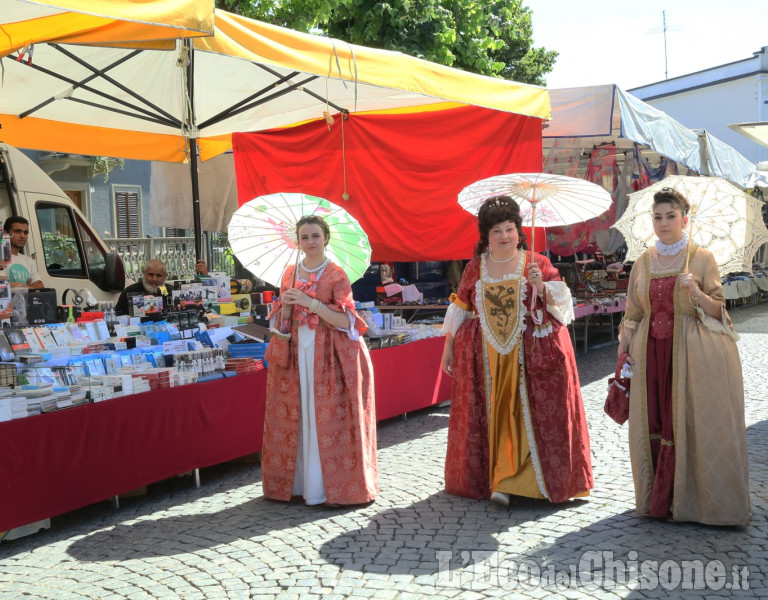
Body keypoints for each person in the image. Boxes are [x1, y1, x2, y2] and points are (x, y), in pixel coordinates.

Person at [441, 195, 593, 506]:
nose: (504, 236)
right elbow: (461, 308)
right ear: (486, 235)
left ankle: (526, 482)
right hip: (487, 357)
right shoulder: (474, 268)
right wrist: (448, 348)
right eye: (497, 230)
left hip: (529, 353)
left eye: (509, 229)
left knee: (524, 414)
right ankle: (500, 479)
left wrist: (542, 285)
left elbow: (563, 308)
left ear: (519, 230)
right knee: (496, 412)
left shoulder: (537, 263)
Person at [617, 187, 749, 526]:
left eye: (670, 216)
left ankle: (691, 500)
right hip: (649, 355)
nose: (663, 223)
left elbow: (720, 312)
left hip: (689, 354)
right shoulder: (644, 262)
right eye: (658, 217)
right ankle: (657, 499)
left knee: (684, 419)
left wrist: (695, 291)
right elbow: (633, 312)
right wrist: (623, 348)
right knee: (655, 420)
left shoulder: (701, 258)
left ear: (684, 219)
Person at [262, 215, 377, 506]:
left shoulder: (337, 274)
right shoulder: (288, 274)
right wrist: (285, 308)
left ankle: (326, 487)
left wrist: (311, 303)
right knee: (299, 411)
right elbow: (281, 318)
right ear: (297, 241)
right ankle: (298, 484)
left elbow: (346, 321)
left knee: (322, 413)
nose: (310, 242)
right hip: (297, 350)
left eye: (315, 236)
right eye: (304, 237)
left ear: (325, 238)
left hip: (329, 353)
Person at [115, 258, 208, 315]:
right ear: (144, 274)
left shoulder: (170, 291)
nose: (154, 279)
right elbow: (118, 317)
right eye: (150, 275)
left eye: (158, 275)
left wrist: (204, 276)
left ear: (165, 276)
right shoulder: (129, 292)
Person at [2, 216, 44, 288]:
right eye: (18, 231)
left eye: (25, 232)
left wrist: (18, 286)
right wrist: (29, 287)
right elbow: (2, 286)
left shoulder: (29, 261)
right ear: (6, 233)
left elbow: (40, 287)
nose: (23, 236)